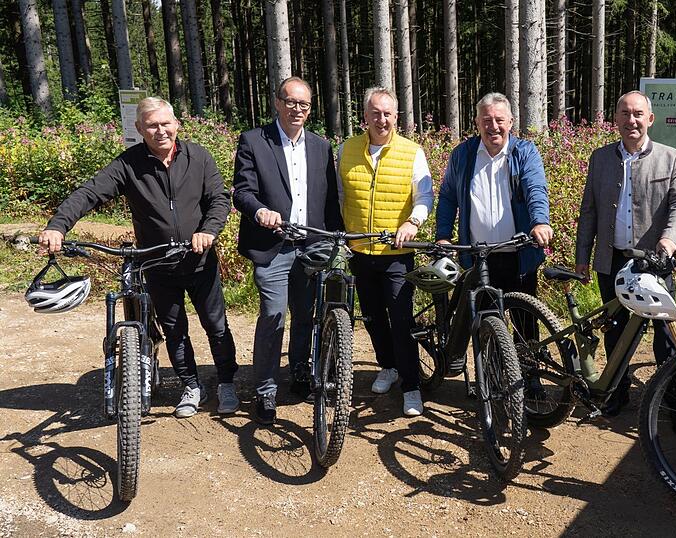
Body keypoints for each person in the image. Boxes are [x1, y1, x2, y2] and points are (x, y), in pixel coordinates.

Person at [38, 97, 239, 419]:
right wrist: (58, 226)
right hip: (157, 263)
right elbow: (90, 192)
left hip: (199, 259)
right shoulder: (129, 163)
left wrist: (209, 231)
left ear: (177, 124)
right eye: (152, 125)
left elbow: (218, 199)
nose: (160, 131)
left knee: (216, 326)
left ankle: (227, 383)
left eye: (165, 123)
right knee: (174, 329)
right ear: (139, 129)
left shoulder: (198, 157)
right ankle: (191, 386)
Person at [574, 91, 676, 421]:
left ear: (650, 119)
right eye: (625, 114)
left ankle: (675, 402)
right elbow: (589, 211)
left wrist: (667, 245)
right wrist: (582, 255)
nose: (632, 120)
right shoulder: (600, 158)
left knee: (666, 336)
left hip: (654, 261)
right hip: (611, 260)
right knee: (615, 330)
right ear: (616, 119)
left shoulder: (672, 159)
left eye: (638, 114)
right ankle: (616, 392)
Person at [233, 77, 344, 424]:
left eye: (305, 104)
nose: (298, 109)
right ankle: (265, 388)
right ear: (278, 102)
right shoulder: (254, 140)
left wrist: (336, 239)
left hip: (311, 245)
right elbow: (242, 191)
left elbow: (329, 201)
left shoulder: (320, 146)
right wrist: (259, 211)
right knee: (273, 313)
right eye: (291, 102)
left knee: (306, 315)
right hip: (273, 246)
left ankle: (299, 371)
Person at [338, 87, 433, 416]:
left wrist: (413, 222)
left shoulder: (412, 152)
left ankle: (411, 386)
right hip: (360, 251)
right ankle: (388, 367)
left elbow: (425, 195)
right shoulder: (346, 150)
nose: (382, 119)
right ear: (365, 117)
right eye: (375, 113)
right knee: (374, 318)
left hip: (397, 253)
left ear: (396, 117)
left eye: (388, 113)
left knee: (402, 320)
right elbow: (337, 195)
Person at [435, 92, 553, 299]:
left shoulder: (525, 152)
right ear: (477, 123)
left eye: (499, 120)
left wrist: (540, 222)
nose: (493, 126)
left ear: (510, 122)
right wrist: (443, 236)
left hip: (519, 255)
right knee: (483, 324)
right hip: (478, 257)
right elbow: (448, 197)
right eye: (487, 120)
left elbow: (535, 189)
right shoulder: (462, 154)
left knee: (524, 325)